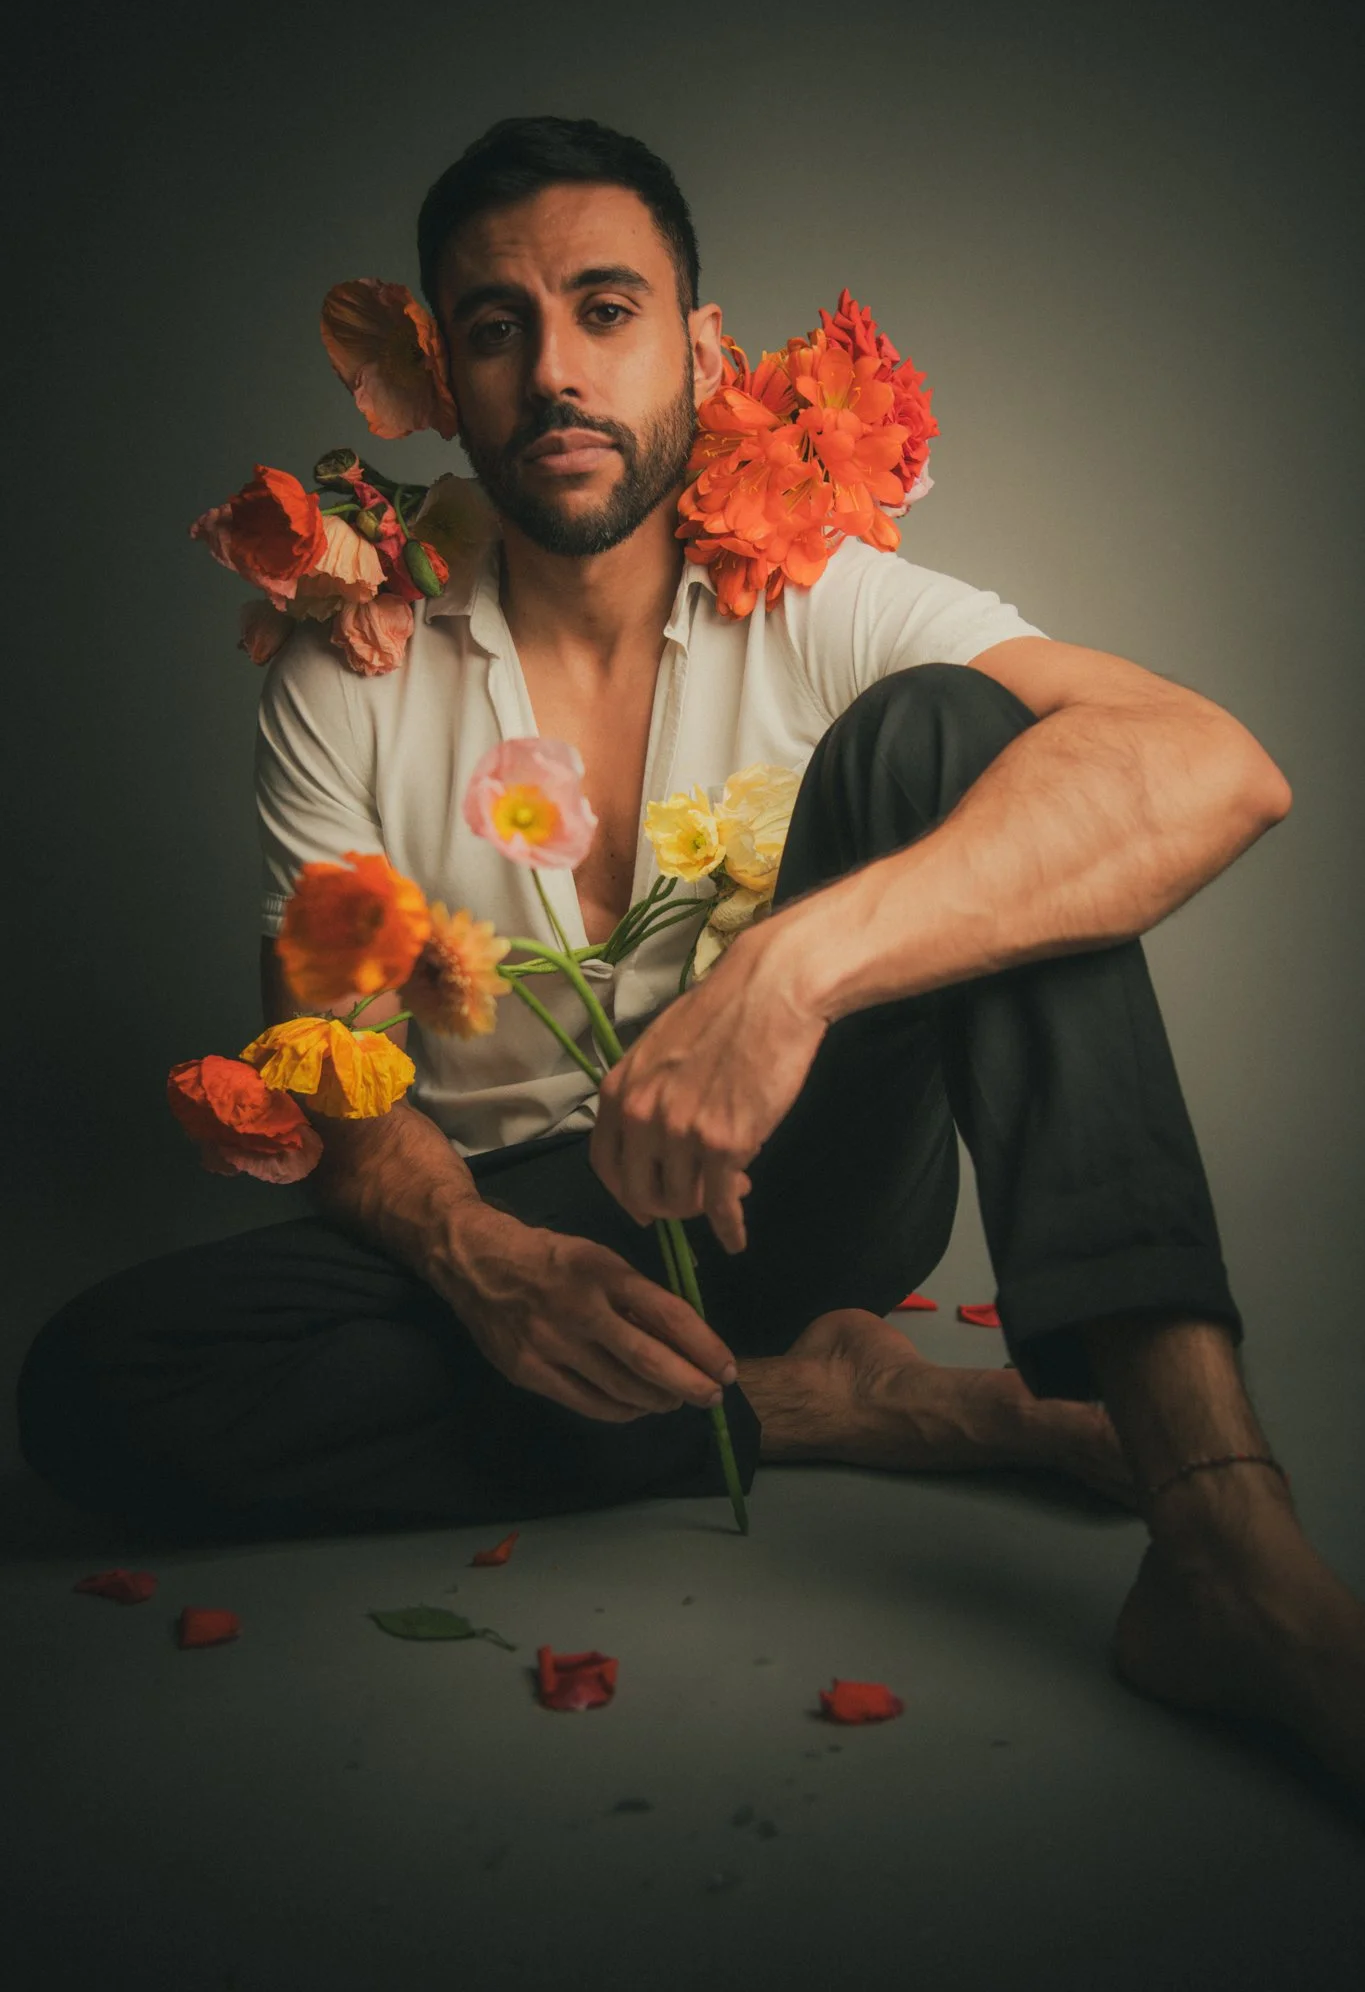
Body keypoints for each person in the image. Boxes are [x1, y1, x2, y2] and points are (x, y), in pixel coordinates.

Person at [17, 115, 1364, 1801]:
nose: (556, 371)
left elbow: (1211, 767)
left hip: (809, 1181)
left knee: (961, 743)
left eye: (606, 309)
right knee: (99, 1389)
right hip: (545, 1243)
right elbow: (339, 1083)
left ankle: (1227, 1542)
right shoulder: (342, 673)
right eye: (498, 327)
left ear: (700, 351)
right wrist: (478, 1261)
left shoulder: (817, 598)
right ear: (443, 374)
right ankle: (834, 1408)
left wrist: (779, 978)